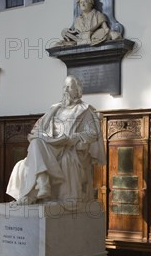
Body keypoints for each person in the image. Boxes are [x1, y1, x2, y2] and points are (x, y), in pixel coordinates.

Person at [6, 75, 106, 205]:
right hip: (52, 144)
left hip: (69, 147)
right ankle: (42, 182)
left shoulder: (85, 110)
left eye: (69, 87)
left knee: (63, 158)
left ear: (77, 91)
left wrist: (73, 138)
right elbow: (39, 127)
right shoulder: (55, 108)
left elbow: (93, 133)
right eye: (64, 87)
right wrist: (41, 135)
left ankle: (37, 189)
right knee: (35, 143)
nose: (65, 90)